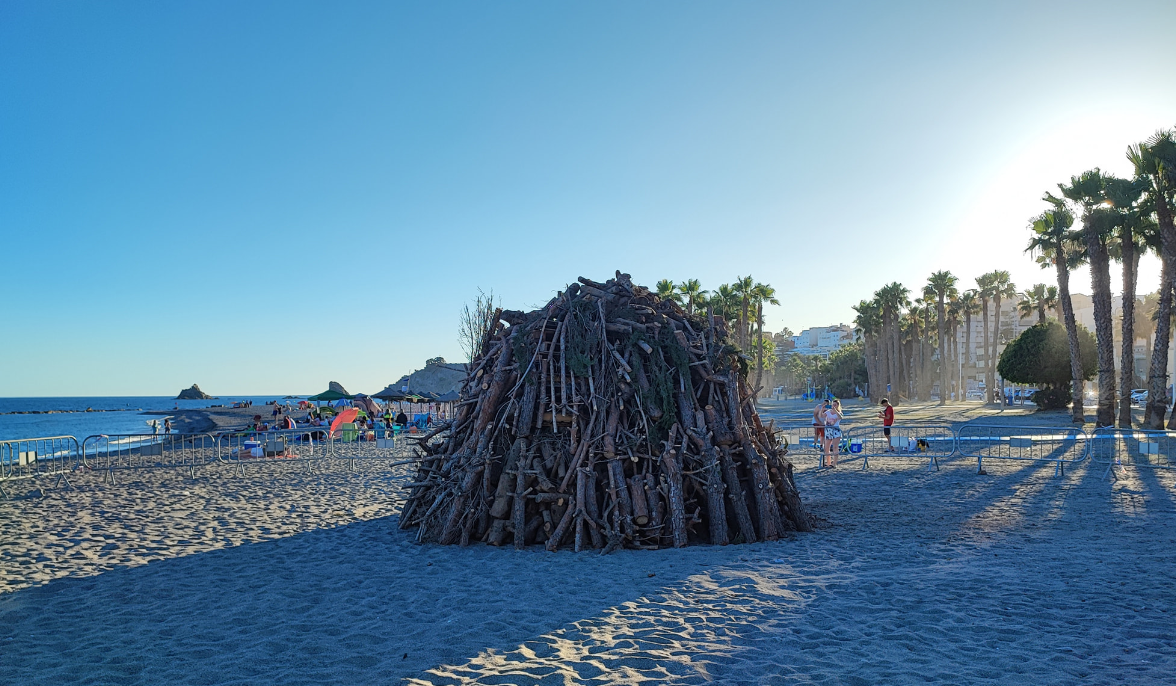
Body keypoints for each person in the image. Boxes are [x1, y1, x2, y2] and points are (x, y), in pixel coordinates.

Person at [822, 399, 844, 467]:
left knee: (835, 447)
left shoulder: (839, 413)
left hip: (836, 431)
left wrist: (835, 411)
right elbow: (821, 416)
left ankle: (834, 463)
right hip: (828, 430)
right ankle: (828, 462)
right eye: (833, 404)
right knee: (826, 447)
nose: (833, 406)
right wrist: (822, 409)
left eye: (835, 405)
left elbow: (841, 417)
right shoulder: (828, 412)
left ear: (838, 405)